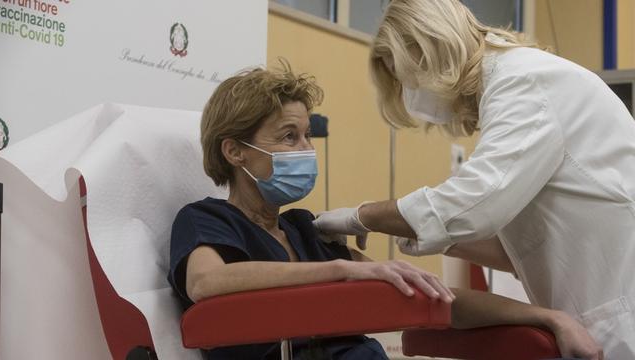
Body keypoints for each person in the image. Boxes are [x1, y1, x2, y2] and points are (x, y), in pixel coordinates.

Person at [168, 61, 601, 360]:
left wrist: (546, 316)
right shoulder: (207, 219)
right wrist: (344, 271)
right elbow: (207, 282)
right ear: (235, 151)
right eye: (289, 136)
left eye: (306, 136)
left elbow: (423, 297)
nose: (306, 150)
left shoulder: (304, 230)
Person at [312, 0, 634, 358]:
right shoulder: (514, 87)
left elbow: (474, 202)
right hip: (599, 314)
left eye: (408, 77)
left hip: (619, 316)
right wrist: (414, 230)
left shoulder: (524, 82)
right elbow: (518, 249)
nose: (410, 91)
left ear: (434, 47)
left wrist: (364, 215)